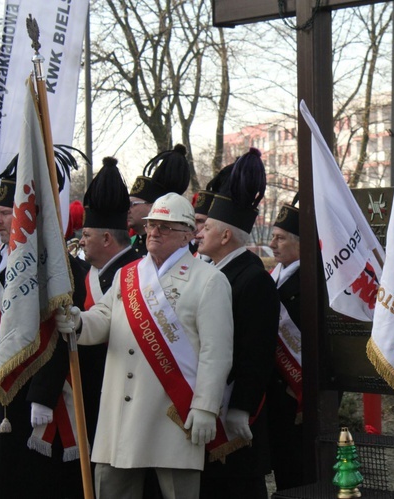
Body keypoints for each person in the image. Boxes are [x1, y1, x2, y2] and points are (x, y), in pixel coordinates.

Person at [57, 192, 234, 499]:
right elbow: (104, 318)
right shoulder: (128, 274)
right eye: (152, 224)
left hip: (172, 411)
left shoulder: (208, 280)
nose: (154, 232)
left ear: (187, 235)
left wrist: (205, 406)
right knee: (111, 489)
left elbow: (216, 352)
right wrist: (80, 323)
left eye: (165, 227)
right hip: (120, 412)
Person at [0, 156, 89, 499]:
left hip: (35, 391)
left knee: (29, 479)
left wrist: (42, 395)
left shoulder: (62, 267)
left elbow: (60, 332)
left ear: (27, 213)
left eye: (6, 212)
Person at [197, 148, 280, 498]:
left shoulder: (253, 279)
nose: (199, 234)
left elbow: (256, 352)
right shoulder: (210, 272)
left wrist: (240, 407)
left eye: (207, 227)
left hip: (235, 417)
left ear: (227, 236)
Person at [78, 157, 141, 450]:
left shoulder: (139, 274)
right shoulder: (83, 274)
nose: (80, 241)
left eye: (86, 235)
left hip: (128, 394)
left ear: (106, 238)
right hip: (89, 394)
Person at [266, 194, 307, 491]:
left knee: (298, 470)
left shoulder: (310, 278)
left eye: (280, 238)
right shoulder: (272, 276)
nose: (272, 244)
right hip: (273, 387)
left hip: (297, 389)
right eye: (273, 237)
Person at [128, 144, 191, 257]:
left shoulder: (175, 249)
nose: (127, 209)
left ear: (153, 206)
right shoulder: (130, 245)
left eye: (133, 204)